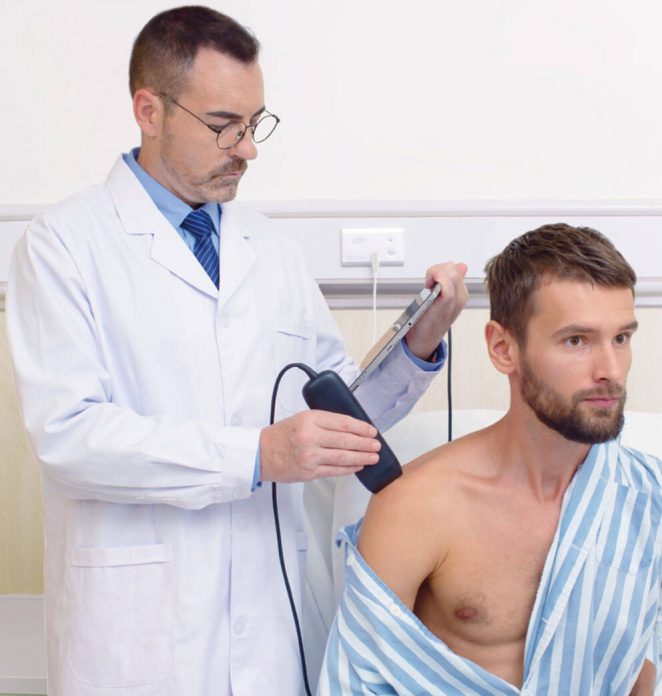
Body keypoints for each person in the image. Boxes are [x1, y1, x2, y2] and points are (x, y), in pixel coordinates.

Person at [5, 6, 467, 696]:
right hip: (138, 639)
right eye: (224, 125)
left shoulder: (270, 250)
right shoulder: (63, 245)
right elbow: (70, 435)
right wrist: (256, 456)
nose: (247, 149)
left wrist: (420, 340)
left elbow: (345, 418)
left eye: (254, 125)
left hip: (271, 629)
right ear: (149, 111)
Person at [319, 224, 662, 696]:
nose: (610, 371)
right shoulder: (417, 507)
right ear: (503, 349)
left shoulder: (646, 495)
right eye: (576, 341)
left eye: (621, 338)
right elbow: (357, 684)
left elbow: (640, 674)